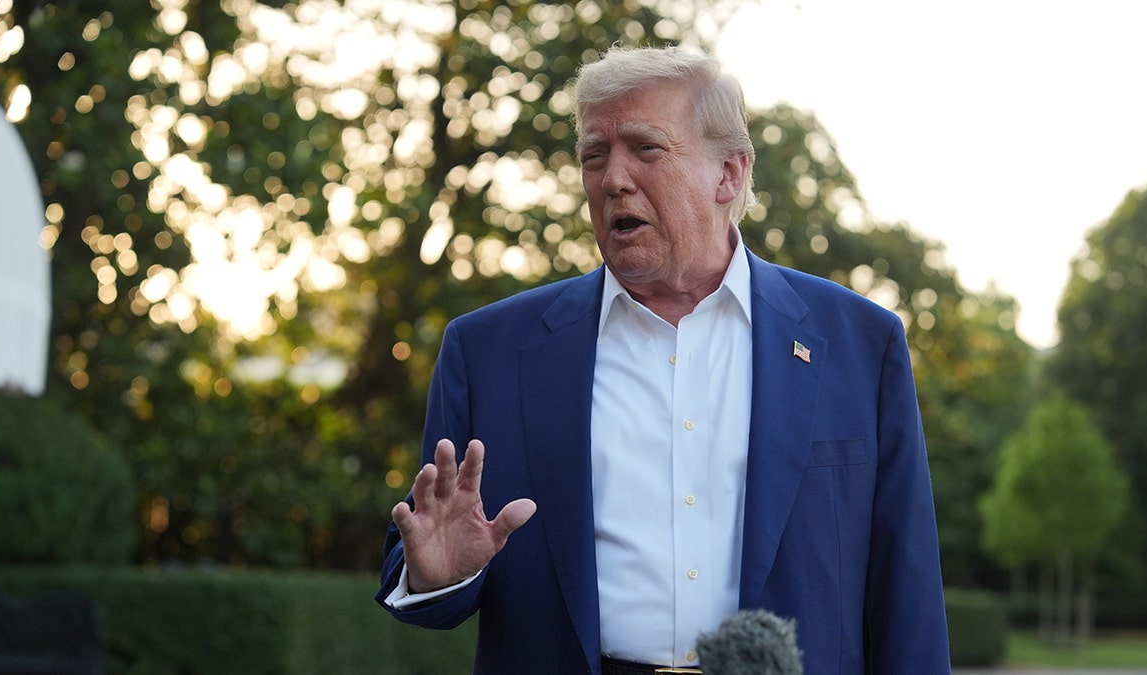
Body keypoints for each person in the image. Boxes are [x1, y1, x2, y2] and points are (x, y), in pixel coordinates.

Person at [376, 45, 951, 674]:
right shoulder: (489, 351)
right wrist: (438, 577)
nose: (613, 179)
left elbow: (906, 589)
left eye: (646, 149)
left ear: (728, 174)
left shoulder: (860, 343)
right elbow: (422, 563)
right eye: (595, 156)